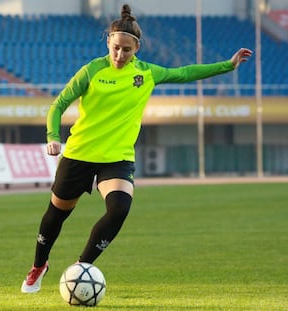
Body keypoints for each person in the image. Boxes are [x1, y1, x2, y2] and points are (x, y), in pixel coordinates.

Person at [21, 4, 252, 293]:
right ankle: (39, 266)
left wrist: (227, 66)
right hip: (79, 153)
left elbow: (184, 73)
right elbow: (58, 105)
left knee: (119, 209)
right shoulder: (92, 70)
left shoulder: (147, 73)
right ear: (108, 42)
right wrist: (53, 135)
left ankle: (81, 268)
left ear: (137, 48)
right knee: (56, 215)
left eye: (126, 50)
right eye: (116, 48)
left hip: (117, 157)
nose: (120, 55)